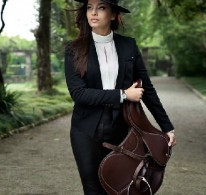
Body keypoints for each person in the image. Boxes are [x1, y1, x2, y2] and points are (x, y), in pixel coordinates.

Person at [64, 0, 176, 194]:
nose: (94, 13)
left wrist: (167, 127)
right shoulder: (74, 49)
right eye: (90, 8)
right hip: (86, 131)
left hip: (122, 129)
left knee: (122, 188)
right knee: (93, 190)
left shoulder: (128, 45)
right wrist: (123, 94)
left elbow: (147, 89)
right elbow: (79, 94)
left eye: (101, 7)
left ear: (114, 15)